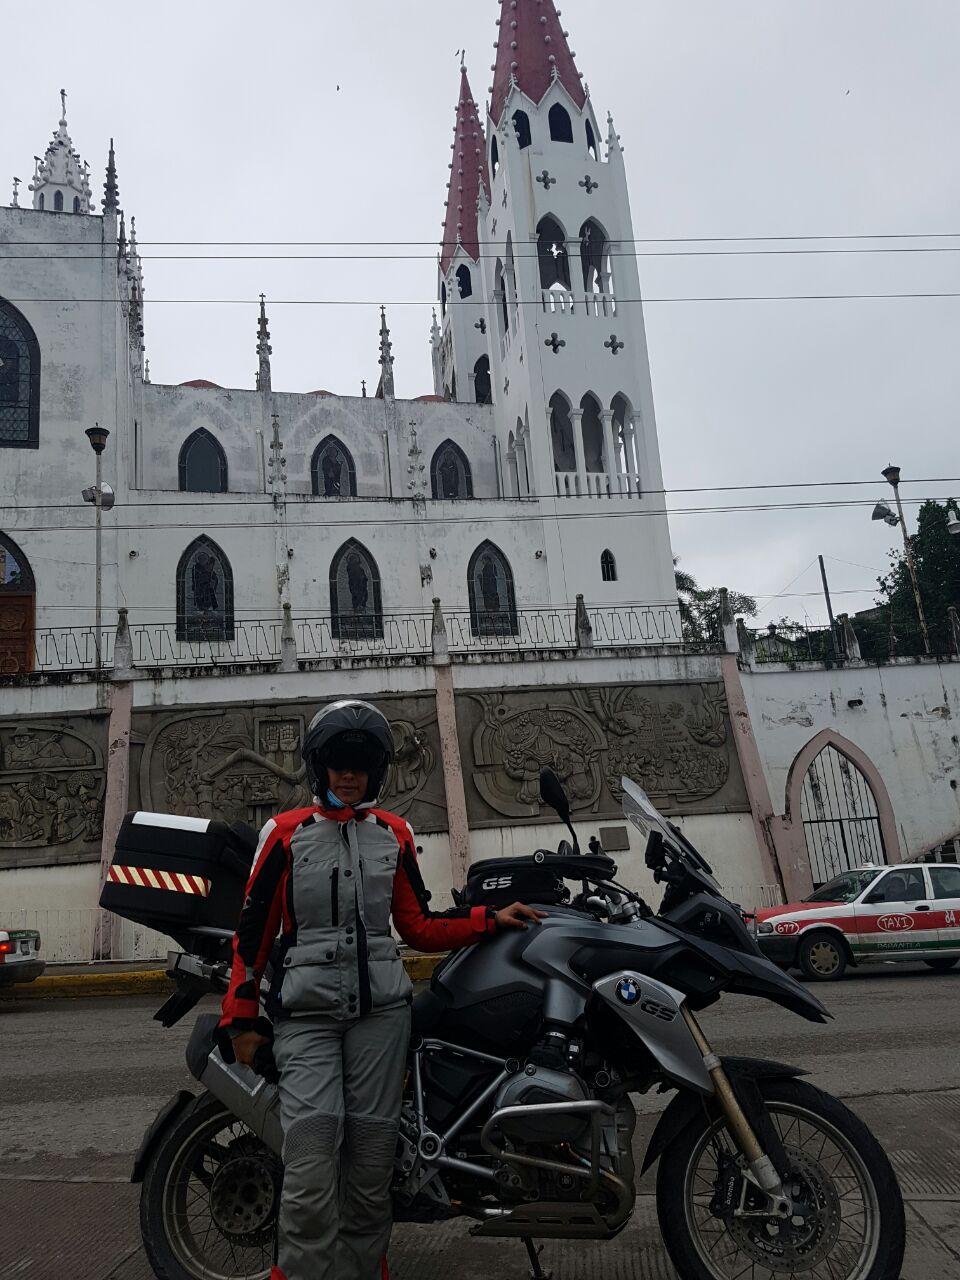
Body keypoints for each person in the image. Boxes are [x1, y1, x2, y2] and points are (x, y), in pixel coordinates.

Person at [218, 698, 546, 1280]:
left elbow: (416, 924)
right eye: (339, 763)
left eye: (361, 764)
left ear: (377, 770)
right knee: (312, 1168)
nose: (349, 774)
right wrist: (241, 1020)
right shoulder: (285, 834)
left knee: (371, 1173)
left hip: (381, 1019)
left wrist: (488, 919)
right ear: (319, 767)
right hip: (307, 1018)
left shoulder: (394, 834)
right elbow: (252, 936)